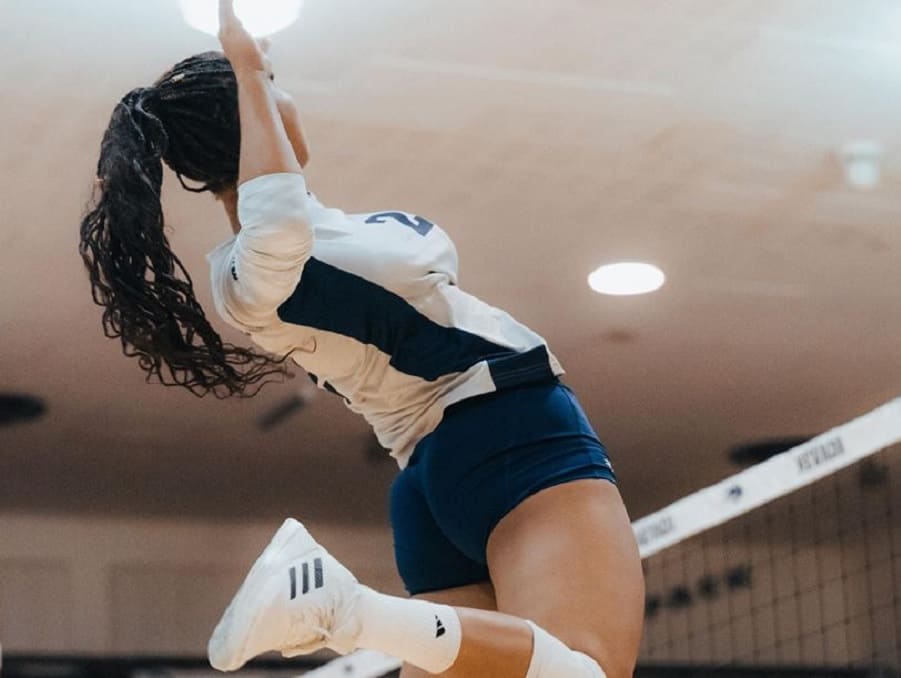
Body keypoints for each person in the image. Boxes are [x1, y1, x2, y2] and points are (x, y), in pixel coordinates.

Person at [79, 2, 644, 676]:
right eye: (273, 91)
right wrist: (249, 69)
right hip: (509, 434)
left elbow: (284, 209)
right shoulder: (259, 262)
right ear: (253, 117)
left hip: (433, 478)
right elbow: (275, 210)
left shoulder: (287, 251)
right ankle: (343, 610)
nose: (289, 101)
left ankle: (347, 609)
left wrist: (250, 82)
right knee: (588, 670)